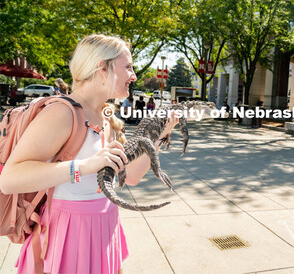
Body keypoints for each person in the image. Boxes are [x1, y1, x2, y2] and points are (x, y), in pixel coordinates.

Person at [0, 34, 179, 273]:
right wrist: (84, 166)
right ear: (102, 67)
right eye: (128, 67)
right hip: (68, 234)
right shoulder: (62, 113)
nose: (134, 76)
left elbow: (131, 176)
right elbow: (10, 179)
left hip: (104, 228)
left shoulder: (106, 115)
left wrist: (160, 133)